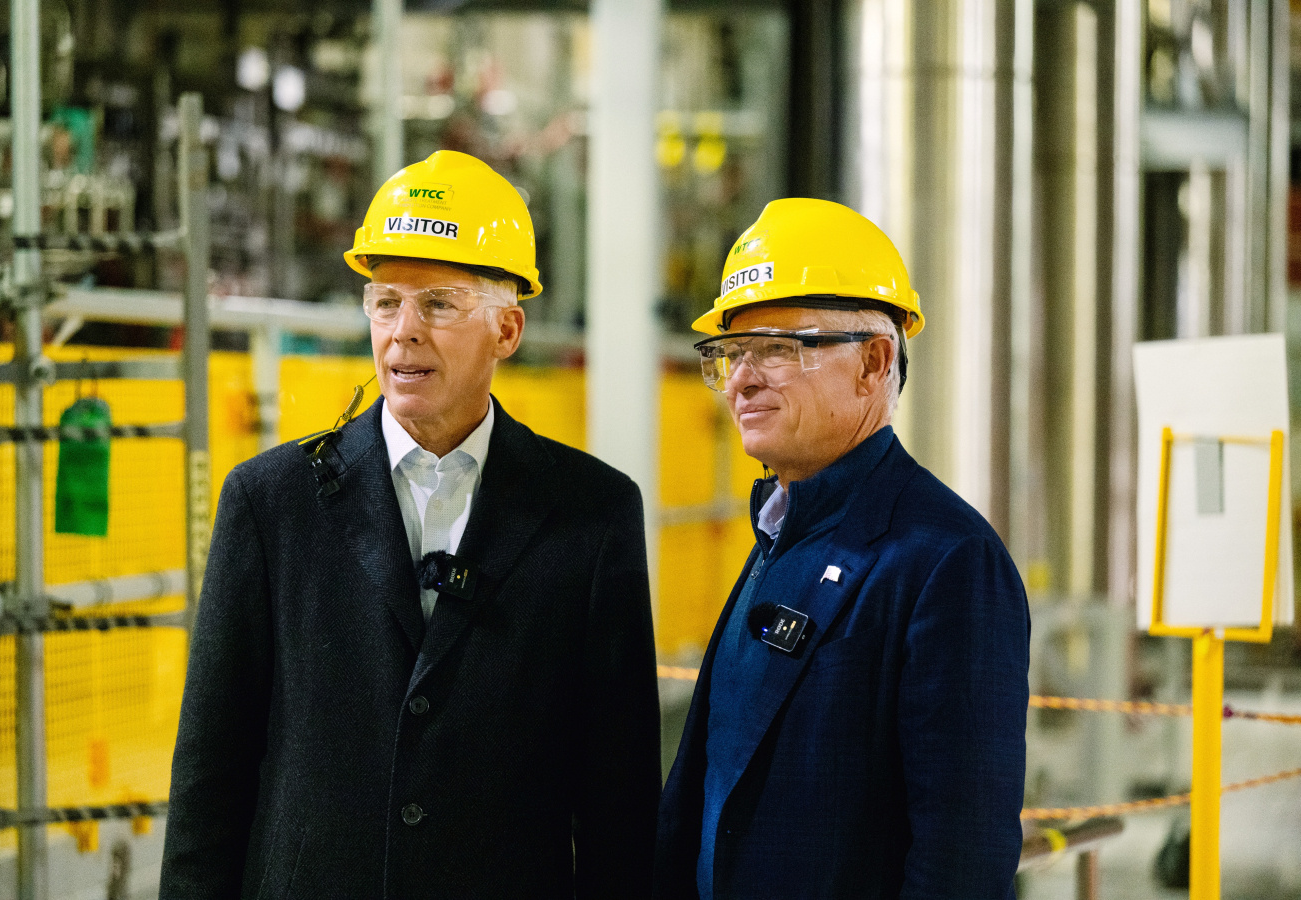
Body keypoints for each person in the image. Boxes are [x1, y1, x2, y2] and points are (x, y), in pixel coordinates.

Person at [161, 150, 660, 899]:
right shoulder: (272, 505)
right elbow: (211, 773)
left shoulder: (591, 516)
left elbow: (619, 799)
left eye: (439, 303)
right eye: (386, 301)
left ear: (509, 329)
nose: (403, 332)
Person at [654, 199, 1030, 900]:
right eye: (731, 353)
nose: (741, 379)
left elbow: (962, 858)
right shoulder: (780, 530)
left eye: (775, 349)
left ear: (873, 362)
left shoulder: (945, 563)